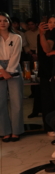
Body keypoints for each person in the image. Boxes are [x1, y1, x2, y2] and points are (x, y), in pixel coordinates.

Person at [0, 12, 24, 142]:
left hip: (13, 67)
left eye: (5, 20)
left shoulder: (16, 37)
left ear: (9, 22)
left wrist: (9, 71)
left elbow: (16, 55)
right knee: (1, 102)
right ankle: (4, 131)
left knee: (17, 101)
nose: (2, 23)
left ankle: (16, 131)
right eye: (0, 21)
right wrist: (2, 70)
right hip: (0, 68)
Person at [38, 15, 55, 135]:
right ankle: (48, 128)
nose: (52, 24)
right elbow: (42, 57)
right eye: (50, 22)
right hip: (46, 73)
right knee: (47, 101)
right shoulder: (41, 36)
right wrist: (50, 74)